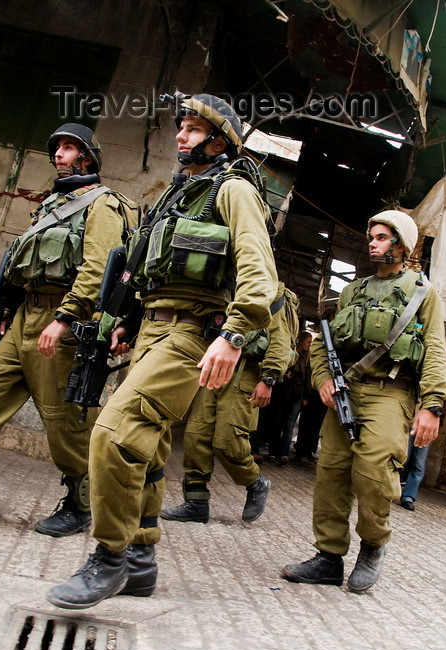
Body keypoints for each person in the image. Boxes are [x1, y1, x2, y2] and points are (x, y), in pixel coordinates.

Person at [46, 92, 278, 609]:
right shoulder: (178, 196)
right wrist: (125, 322)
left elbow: (261, 278)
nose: (181, 135)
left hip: (192, 333)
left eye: (194, 129)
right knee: (145, 447)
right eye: (181, 126)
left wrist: (233, 336)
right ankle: (139, 562)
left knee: (112, 435)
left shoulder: (233, 191)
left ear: (220, 141)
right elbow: (141, 271)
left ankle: (108, 557)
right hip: (152, 328)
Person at [282, 210, 446, 593]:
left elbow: (436, 351)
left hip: (391, 393)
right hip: (345, 393)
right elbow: (326, 344)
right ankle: (328, 557)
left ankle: (373, 547)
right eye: (370, 237)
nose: (371, 243)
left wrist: (432, 404)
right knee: (332, 474)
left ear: (400, 244)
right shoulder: (352, 291)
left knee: (374, 474)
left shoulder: (421, 292)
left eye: (380, 237)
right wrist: (322, 378)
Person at [0, 123, 136, 537]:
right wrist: (13, 306)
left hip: (61, 322)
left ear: (87, 158)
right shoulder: (52, 203)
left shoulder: (102, 204)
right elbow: (26, 263)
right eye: (57, 147)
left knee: (63, 422)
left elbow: (96, 269)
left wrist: (64, 318)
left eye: (69, 148)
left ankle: (81, 503)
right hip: (25, 318)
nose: (59, 154)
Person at [160, 281, 293, 525]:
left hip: (247, 372)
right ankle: (196, 503)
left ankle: (256, 482)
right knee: (196, 435)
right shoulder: (226, 283)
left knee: (228, 441)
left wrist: (269, 378)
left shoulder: (272, 292)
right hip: (217, 367)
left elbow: (280, 340)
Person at [267, 331, 311, 465]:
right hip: (284, 392)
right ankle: (273, 452)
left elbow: (308, 379)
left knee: (289, 426)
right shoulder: (291, 354)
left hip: (297, 394)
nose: (309, 345)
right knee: (277, 423)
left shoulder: (308, 359)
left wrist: (306, 396)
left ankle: (284, 453)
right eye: (308, 342)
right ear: (301, 341)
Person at [399, 432, 431, 511]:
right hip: (409, 423)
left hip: (426, 428)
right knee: (401, 459)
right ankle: (388, 490)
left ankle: (408, 497)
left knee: (419, 464)